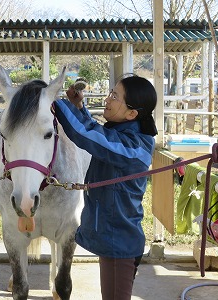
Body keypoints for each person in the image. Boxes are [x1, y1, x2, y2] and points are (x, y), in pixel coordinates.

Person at [53, 74, 158, 300]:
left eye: (115, 96)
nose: (107, 100)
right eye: (110, 93)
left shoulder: (134, 146)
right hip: (113, 236)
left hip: (118, 241)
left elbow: (88, 134)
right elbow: (100, 134)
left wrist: (54, 101)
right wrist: (79, 108)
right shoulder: (124, 135)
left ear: (132, 114)